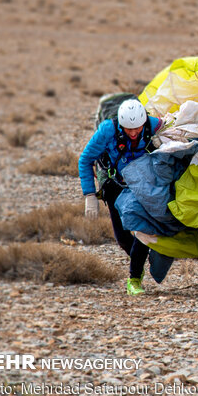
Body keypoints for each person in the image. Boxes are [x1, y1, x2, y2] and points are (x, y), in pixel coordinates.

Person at [78, 99, 162, 296]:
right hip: (114, 182)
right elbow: (85, 159)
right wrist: (89, 195)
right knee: (123, 237)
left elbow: (175, 126)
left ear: (144, 122)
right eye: (128, 129)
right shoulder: (108, 130)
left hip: (142, 183)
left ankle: (134, 279)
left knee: (142, 227)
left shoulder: (153, 125)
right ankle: (144, 257)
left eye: (137, 128)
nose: (133, 133)